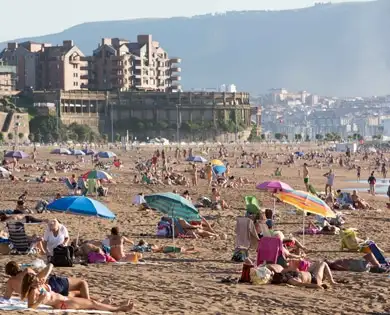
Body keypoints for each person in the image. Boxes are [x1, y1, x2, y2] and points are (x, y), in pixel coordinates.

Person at [21, 271, 133, 312]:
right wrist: (39, 301)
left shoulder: (39, 286)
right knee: (92, 304)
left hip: (64, 300)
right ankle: (119, 308)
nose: (37, 283)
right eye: (35, 282)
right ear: (30, 284)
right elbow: (30, 307)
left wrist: (43, 284)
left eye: (37, 280)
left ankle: (116, 305)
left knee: (89, 302)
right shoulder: (33, 292)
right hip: (63, 304)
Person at [4, 261, 90, 299]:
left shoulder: (10, 283)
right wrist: (45, 276)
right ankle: (89, 301)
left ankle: (89, 300)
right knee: (82, 283)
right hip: (52, 284)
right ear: (18, 268)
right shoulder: (27, 271)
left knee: (76, 294)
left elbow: (6, 297)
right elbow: (38, 277)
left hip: (51, 294)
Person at [271, 261, 336, 289]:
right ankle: (332, 281)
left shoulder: (285, 274)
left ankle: (327, 279)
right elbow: (304, 284)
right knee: (323, 263)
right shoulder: (292, 280)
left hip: (308, 273)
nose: (281, 275)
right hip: (314, 279)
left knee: (318, 262)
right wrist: (317, 286)